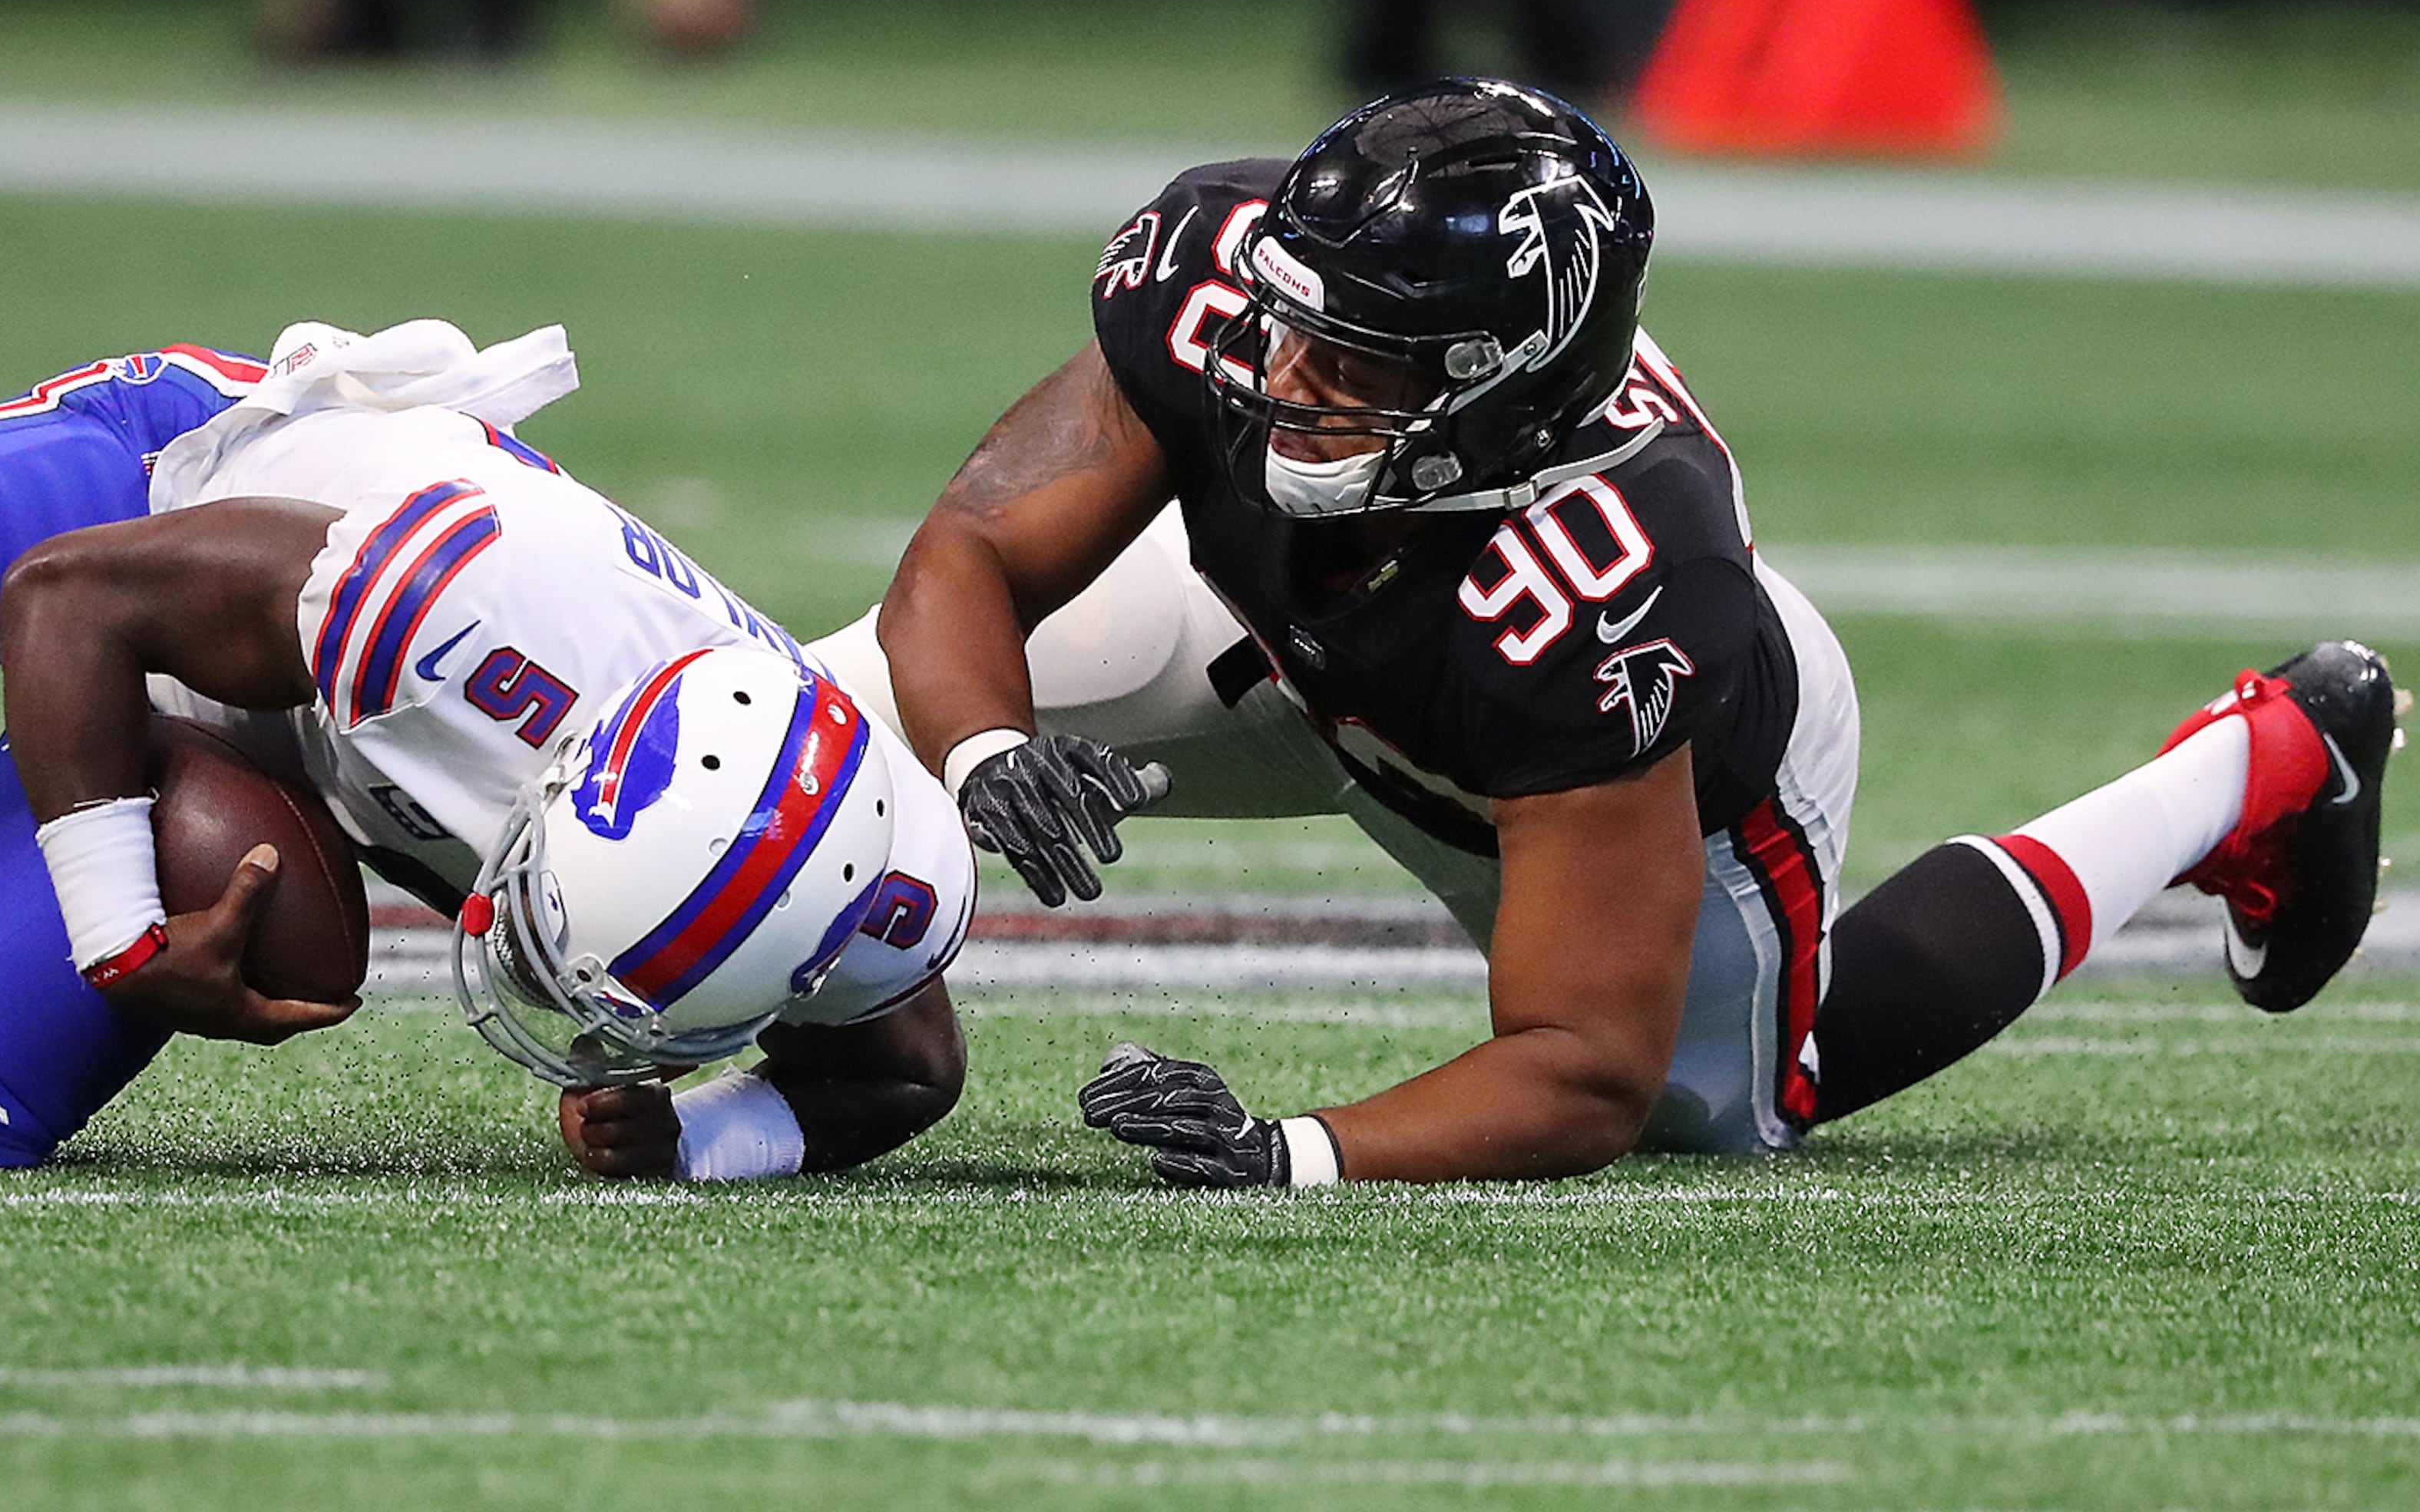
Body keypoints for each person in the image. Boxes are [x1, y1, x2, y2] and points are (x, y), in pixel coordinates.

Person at [829, 79, 2405, 1187]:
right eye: (1295, 323)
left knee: (1725, 1102)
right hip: (1292, 620)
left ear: (1503, 382)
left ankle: (2263, 761)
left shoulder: (1623, 579)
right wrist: (976, 753)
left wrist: (1289, 1152)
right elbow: (972, 547)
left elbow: (1580, 1066)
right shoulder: (1229, 287)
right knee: (832, 727)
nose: (1287, 375)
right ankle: (772, 1083)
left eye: (1363, 362)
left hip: (1614, 759)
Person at [0, 320, 973, 1180]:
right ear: (559, 796)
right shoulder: (455, 622)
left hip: (279, 709)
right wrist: (125, 933)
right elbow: (69, 598)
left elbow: (906, 1073)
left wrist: (701, 1139)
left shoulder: (846, 858)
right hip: (168, 505)